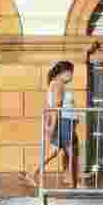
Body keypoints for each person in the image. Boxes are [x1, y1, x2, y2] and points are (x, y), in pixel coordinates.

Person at [26, 61, 80, 189]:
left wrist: (49, 124)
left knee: (56, 151)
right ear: (64, 72)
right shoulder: (58, 84)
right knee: (72, 153)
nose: (72, 76)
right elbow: (56, 107)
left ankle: (33, 172)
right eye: (71, 73)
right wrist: (52, 125)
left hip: (65, 122)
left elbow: (49, 106)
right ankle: (74, 183)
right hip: (64, 121)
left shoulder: (54, 84)